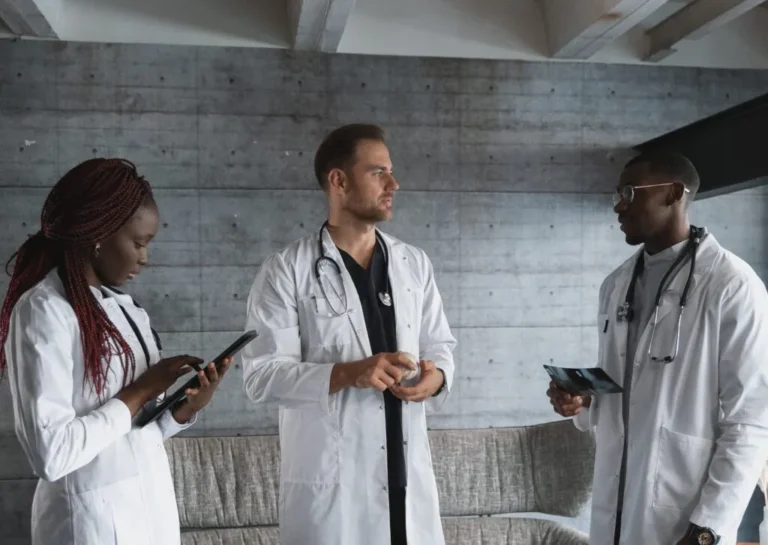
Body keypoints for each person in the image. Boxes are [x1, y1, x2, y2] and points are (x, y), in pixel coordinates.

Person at [241, 124, 456, 545]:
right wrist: (349, 373)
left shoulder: (413, 264)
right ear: (338, 180)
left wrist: (439, 377)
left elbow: (440, 346)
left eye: (390, 172)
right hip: (336, 487)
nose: (394, 183)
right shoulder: (286, 271)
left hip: (404, 482)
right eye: (378, 172)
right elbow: (261, 377)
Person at [0, 158, 232, 545]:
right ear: (98, 235)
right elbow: (51, 455)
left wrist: (186, 408)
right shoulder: (43, 311)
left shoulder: (125, 311)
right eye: (138, 243)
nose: (144, 257)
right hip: (87, 525)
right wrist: (140, 390)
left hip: (149, 516)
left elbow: (135, 432)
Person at [547, 152, 768, 545]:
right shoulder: (616, 284)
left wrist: (708, 527)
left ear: (674, 194)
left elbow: (751, 420)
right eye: (619, 193)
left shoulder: (732, 286)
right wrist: (583, 401)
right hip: (617, 500)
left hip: (685, 511)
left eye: (630, 193)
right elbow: (625, 387)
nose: (618, 205)